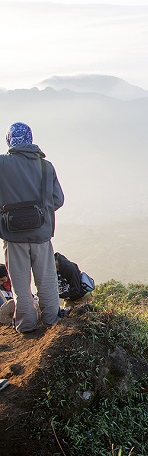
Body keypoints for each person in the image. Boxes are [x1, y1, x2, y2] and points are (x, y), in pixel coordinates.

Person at [0, 122, 65, 333]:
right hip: (41, 234)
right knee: (46, 283)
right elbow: (58, 199)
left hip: (13, 236)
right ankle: (51, 323)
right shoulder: (46, 166)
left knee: (21, 287)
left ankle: (26, 326)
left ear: (10, 141)